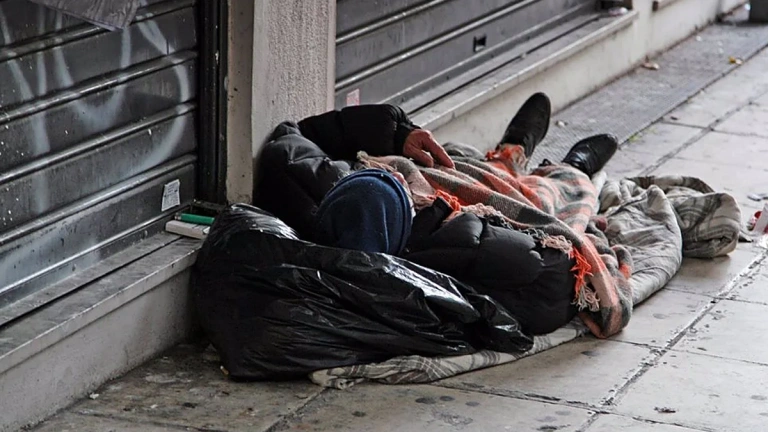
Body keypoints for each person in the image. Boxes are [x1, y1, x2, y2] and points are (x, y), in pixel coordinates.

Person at [255, 93, 617, 336]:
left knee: (467, 166)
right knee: (547, 196)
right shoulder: (443, 247)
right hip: (460, 207)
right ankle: (573, 168)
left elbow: (295, 134)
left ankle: (512, 151)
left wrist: (397, 134)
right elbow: (554, 278)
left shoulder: (313, 188)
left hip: (433, 180)